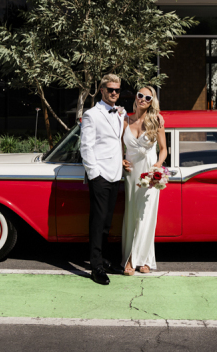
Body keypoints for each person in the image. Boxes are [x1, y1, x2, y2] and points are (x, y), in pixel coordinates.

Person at [80, 73, 126, 286]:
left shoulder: (119, 112)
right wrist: (94, 174)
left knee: (107, 221)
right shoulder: (92, 114)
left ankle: (103, 259)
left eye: (117, 89)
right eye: (110, 89)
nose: (114, 93)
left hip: (116, 173)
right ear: (102, 90)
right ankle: (95, 266)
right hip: (100, 176)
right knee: (98, 222)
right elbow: (86, 146)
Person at [121, 86, 167, 276]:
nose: (143, 99)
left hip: (149, 175)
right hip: (131, 174)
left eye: (147, 97)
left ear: (151, 101)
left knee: (146, 216)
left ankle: (140, 260)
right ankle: (133, 257)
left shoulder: (156, 121)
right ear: (136, 97)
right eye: (140, 95)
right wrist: (121, 159)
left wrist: (157, 166)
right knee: (131, 214)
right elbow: (118, 147)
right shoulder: (125, 119)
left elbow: (164, 149)